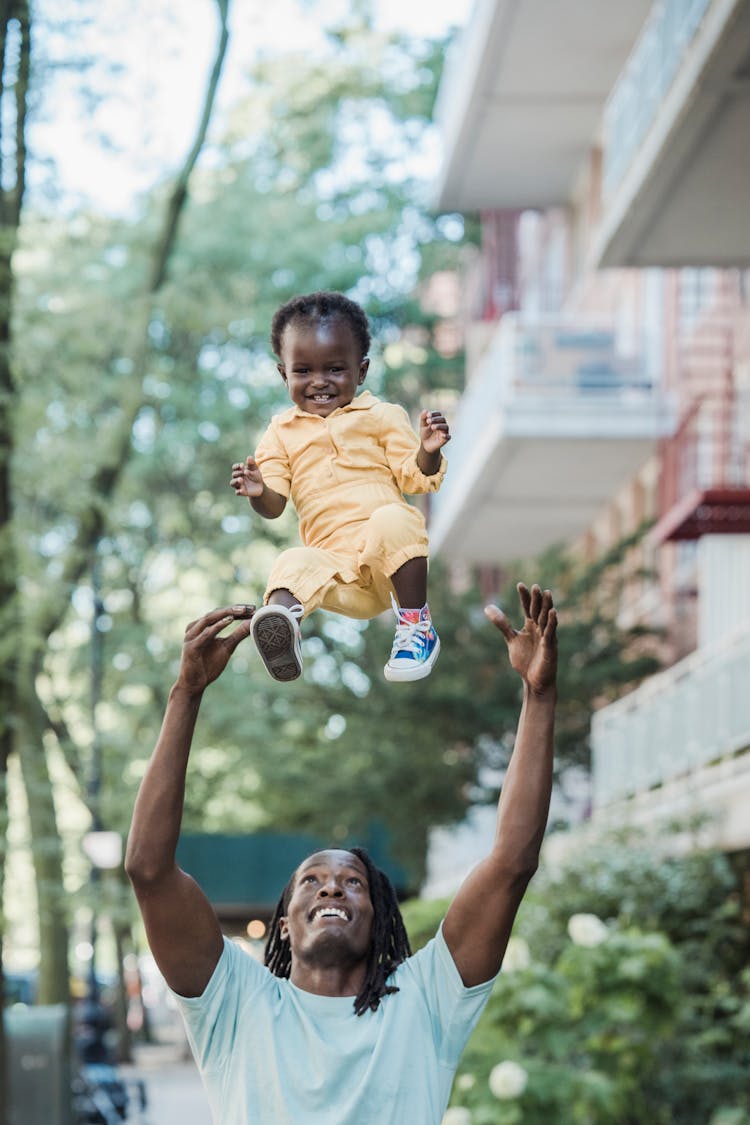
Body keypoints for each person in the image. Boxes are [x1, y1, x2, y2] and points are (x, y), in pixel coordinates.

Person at [125, 582, 557, 1125]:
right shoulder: (235, 1002)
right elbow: (148, 869)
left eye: (354, 882)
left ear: (379, 920)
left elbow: (511, 863)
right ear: (283, 926)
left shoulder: (425, 1004)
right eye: (311, 881)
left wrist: (539, 698)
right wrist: (185, 694)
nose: (331, 886)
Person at [229, 290, 450, 684]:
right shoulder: (280, 433)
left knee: (394, 518)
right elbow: (275, 504)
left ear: (361, 371)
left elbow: (415, 477)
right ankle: (282, 628)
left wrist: (427, 451)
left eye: (334, 369)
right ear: (284, 374)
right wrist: (260, 491)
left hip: (390, 567)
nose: (319, 383)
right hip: (335, 574)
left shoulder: (382, 416)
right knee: (291, 563)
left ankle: (416, 627)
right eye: (303, 372)